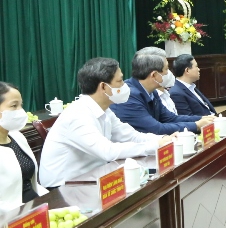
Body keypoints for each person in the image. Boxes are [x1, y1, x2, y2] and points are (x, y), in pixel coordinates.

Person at [39, 58, 172, 188]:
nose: (124, 85)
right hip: (65, 188)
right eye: (120, 81)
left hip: (92, 178)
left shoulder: (105, 110)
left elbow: (131, 136)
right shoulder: (78, 115)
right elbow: (108, 151)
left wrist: (163, 139)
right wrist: (155, 145)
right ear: (103, 86)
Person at [110, 51, 214, 134]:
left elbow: (170, 118)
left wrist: (203, 118)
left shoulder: (152, 91)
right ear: (154, 75)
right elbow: (156, 128)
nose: (169, 73)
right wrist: (196, 125)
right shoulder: (129, 96)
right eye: (166, 69)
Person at [0, 82, 47, 209]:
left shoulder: (17, 137)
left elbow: (31, 184)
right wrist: (22, 214)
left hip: (34, 205)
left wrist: (49, 199)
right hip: (11, 214)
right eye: (14, 106)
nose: (20, 111)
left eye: (21, 105)